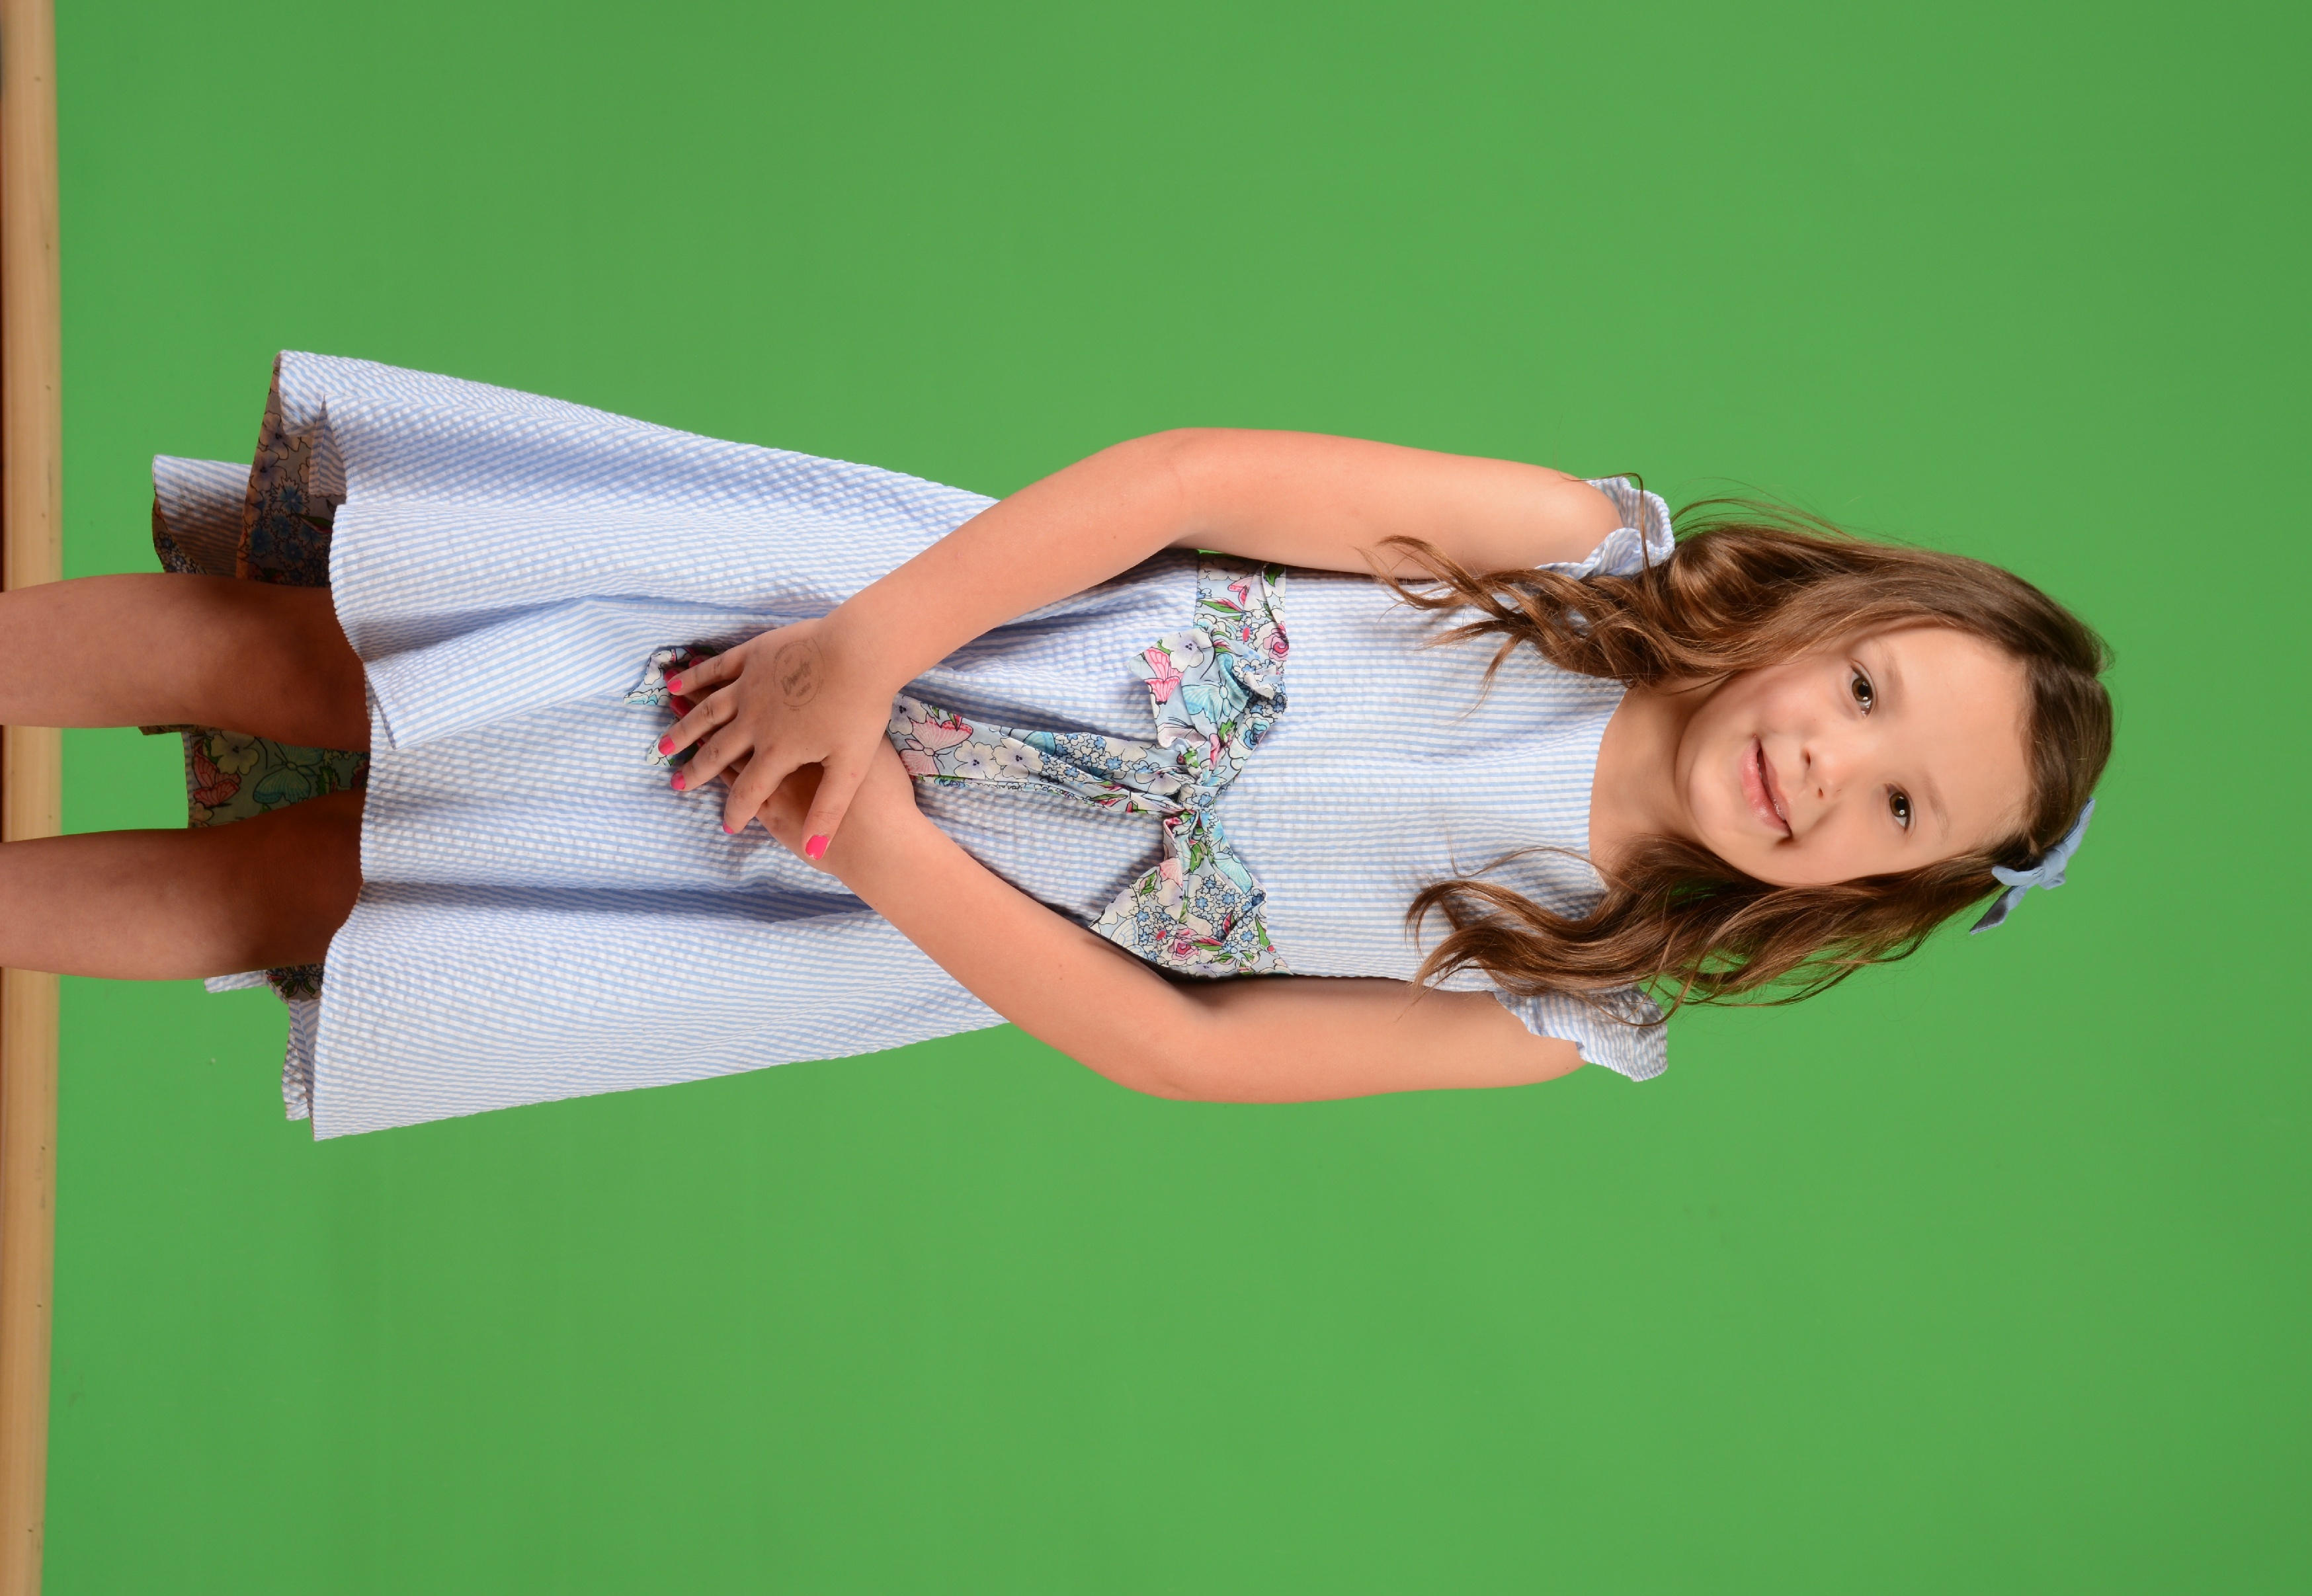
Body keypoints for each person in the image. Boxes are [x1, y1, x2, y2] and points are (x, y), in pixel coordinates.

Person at [0, 354, 2112, 1137]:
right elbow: (1191, 476)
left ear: (1885, 889)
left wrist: (882, 846)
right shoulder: (1570, 555)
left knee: (330, 896)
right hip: (869, 622)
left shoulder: (1561, 999)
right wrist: (861, 657)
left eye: (1895, 807)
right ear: (1833, 617)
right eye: (1865, 693)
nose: (1829, 764)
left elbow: (1185, 1052)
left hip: (847, 897)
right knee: (333, 660)